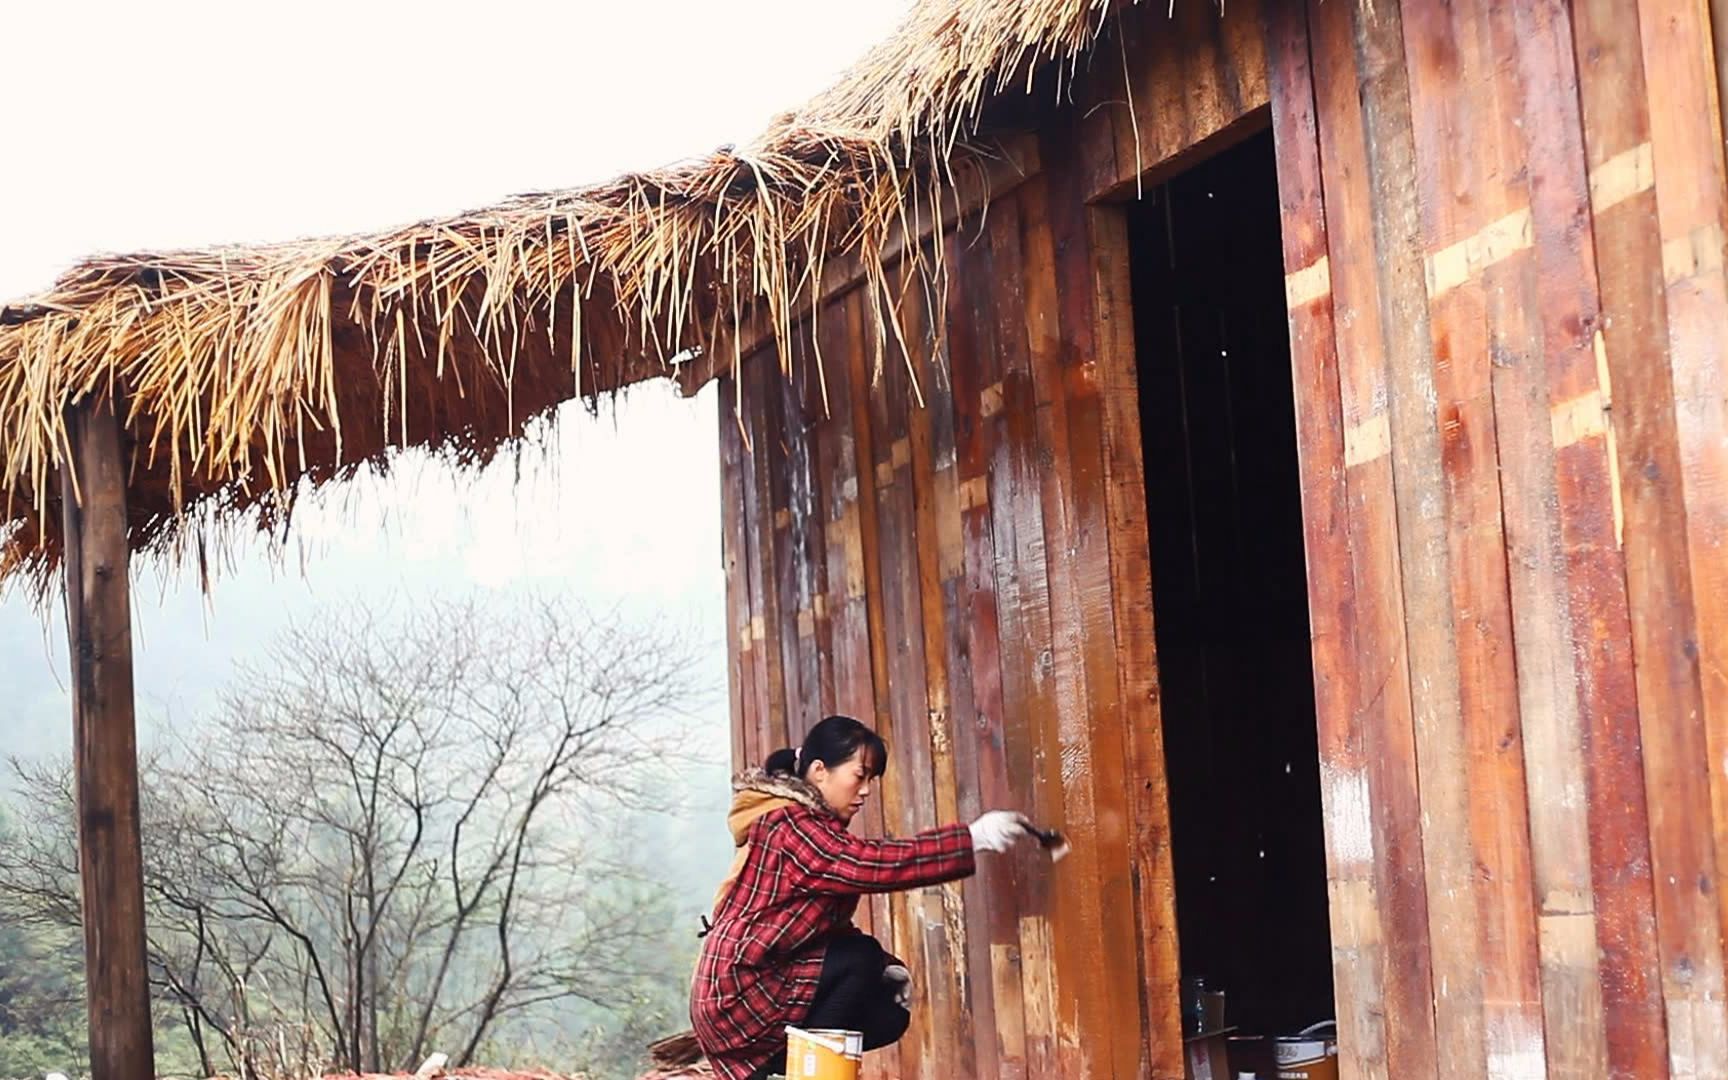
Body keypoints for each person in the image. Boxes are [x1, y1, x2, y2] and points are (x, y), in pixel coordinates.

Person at [690, 714, 1035, 1080]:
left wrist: (886, 967)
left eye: (872, 779)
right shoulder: (791, 826)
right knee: (859, 958)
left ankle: (790, 1069)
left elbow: (826, 930)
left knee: (887, 1014)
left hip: (754, 984)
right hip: (738, 992)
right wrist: (971, 839)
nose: (867, 790)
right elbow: (867, 865)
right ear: (820, 770)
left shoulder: (809, 827)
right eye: (859, 775)